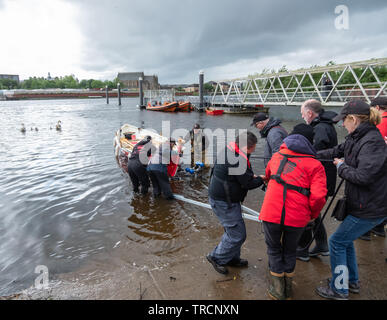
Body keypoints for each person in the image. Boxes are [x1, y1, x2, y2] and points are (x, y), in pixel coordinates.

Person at [315, 99, 387, 300]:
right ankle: (352, 282)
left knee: (337, 242)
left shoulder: (372, 141)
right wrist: (309, 155)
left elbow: (364, 177)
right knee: (345, 242)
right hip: (362, 203)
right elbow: (336, 151)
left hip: (370, 207)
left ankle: (339, 290)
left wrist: (341, 167)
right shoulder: (357, 137)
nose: (341, 124)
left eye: (343, 121)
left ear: (353, 119)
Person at [259, 124, 327, 300]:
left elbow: (267, 176)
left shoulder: (276, 157)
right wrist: (311, 215)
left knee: (274, 249)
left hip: (271, 213)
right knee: (290, 251)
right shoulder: (316, 165)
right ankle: (288, 290)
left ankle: (278, 291)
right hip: (297, 217)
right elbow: (319, 196)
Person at [206, 131, 264, 275]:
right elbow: (248, 183)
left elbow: (241, 176)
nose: (254, 150)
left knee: (232, 230)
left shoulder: (230, 150)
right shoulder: (238, 160)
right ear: (247, 147)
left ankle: (232, 258)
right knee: (237, 234)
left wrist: (252, 176)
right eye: (253, 148)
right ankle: (216, 257)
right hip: (224, 202)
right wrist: (262, 178)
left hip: (224, 198)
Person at [297, 99, 338, 261]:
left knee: (307, 212)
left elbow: (315, 152)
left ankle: (302, 250)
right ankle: (322, 245)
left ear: (310, 113)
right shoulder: (326, 125)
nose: (302, 117)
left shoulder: (320, 128)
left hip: (319, 180)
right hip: (325, 178)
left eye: (302, 114)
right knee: (315, 212)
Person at [359, 97, 387, 240]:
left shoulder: (380, 123)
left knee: (372, 195)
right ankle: (380, 227)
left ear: (376, 108)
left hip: (378, 167)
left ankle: (365, 230)